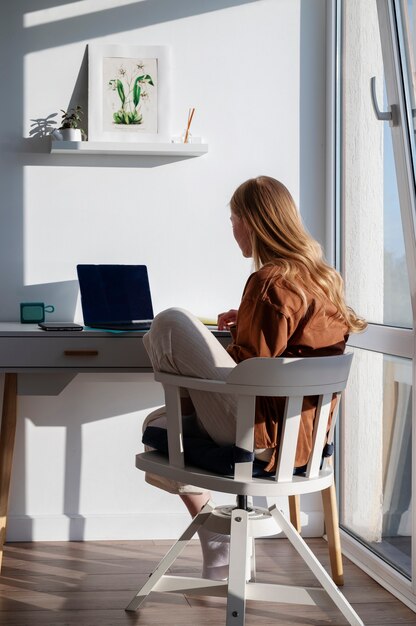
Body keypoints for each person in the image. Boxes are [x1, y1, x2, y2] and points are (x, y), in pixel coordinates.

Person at [142, 175, 367, 580]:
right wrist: (243, 325)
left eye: (233, 219)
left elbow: (247, 373)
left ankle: (218, 540)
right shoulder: (322, 280)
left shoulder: (269, 281)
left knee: (169, 325)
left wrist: (227, 342)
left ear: (252, 221)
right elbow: (276, 359)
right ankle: (219, 542)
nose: (232, 230)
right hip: (305, 446)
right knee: (159, 424)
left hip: (261, 441)